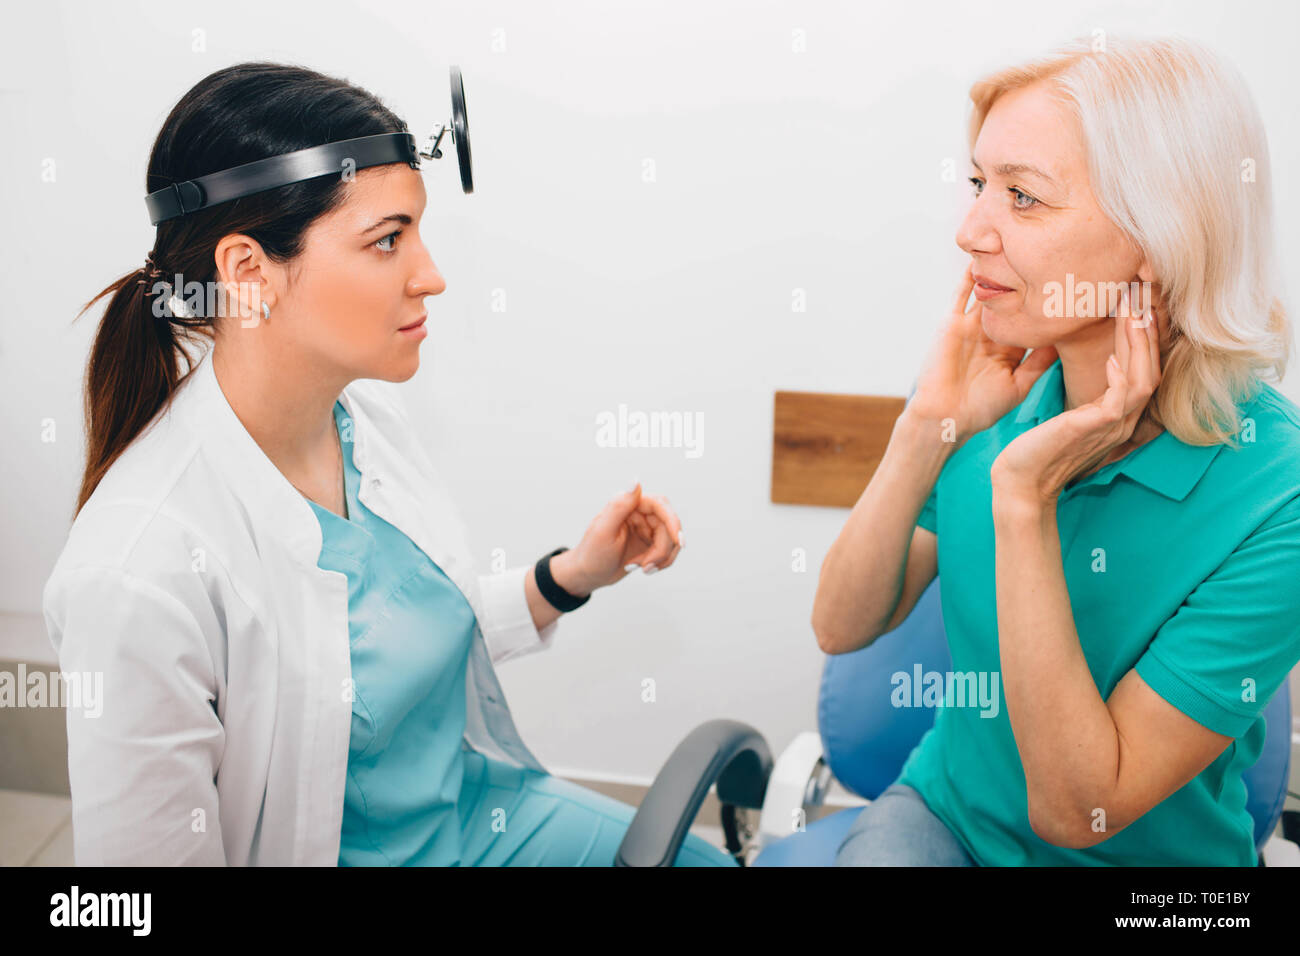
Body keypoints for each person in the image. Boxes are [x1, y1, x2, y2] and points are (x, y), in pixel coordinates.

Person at [42, 61, 736, 867]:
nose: (431, 275)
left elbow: (391, 629)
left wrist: (571, 574)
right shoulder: (138, 572)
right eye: (387, 241)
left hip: (472, 813)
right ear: (247, 275)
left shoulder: (364, 419)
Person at [814, 34, 1300, 866]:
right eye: (978, 185)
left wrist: (1024, 499)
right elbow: (843, 623)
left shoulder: (1274, 489)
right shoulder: (992, 388)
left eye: (1023, 198)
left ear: (1158, 233)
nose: (970, 231)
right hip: (948, 822)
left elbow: (1084, 813)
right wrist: (923, 426)